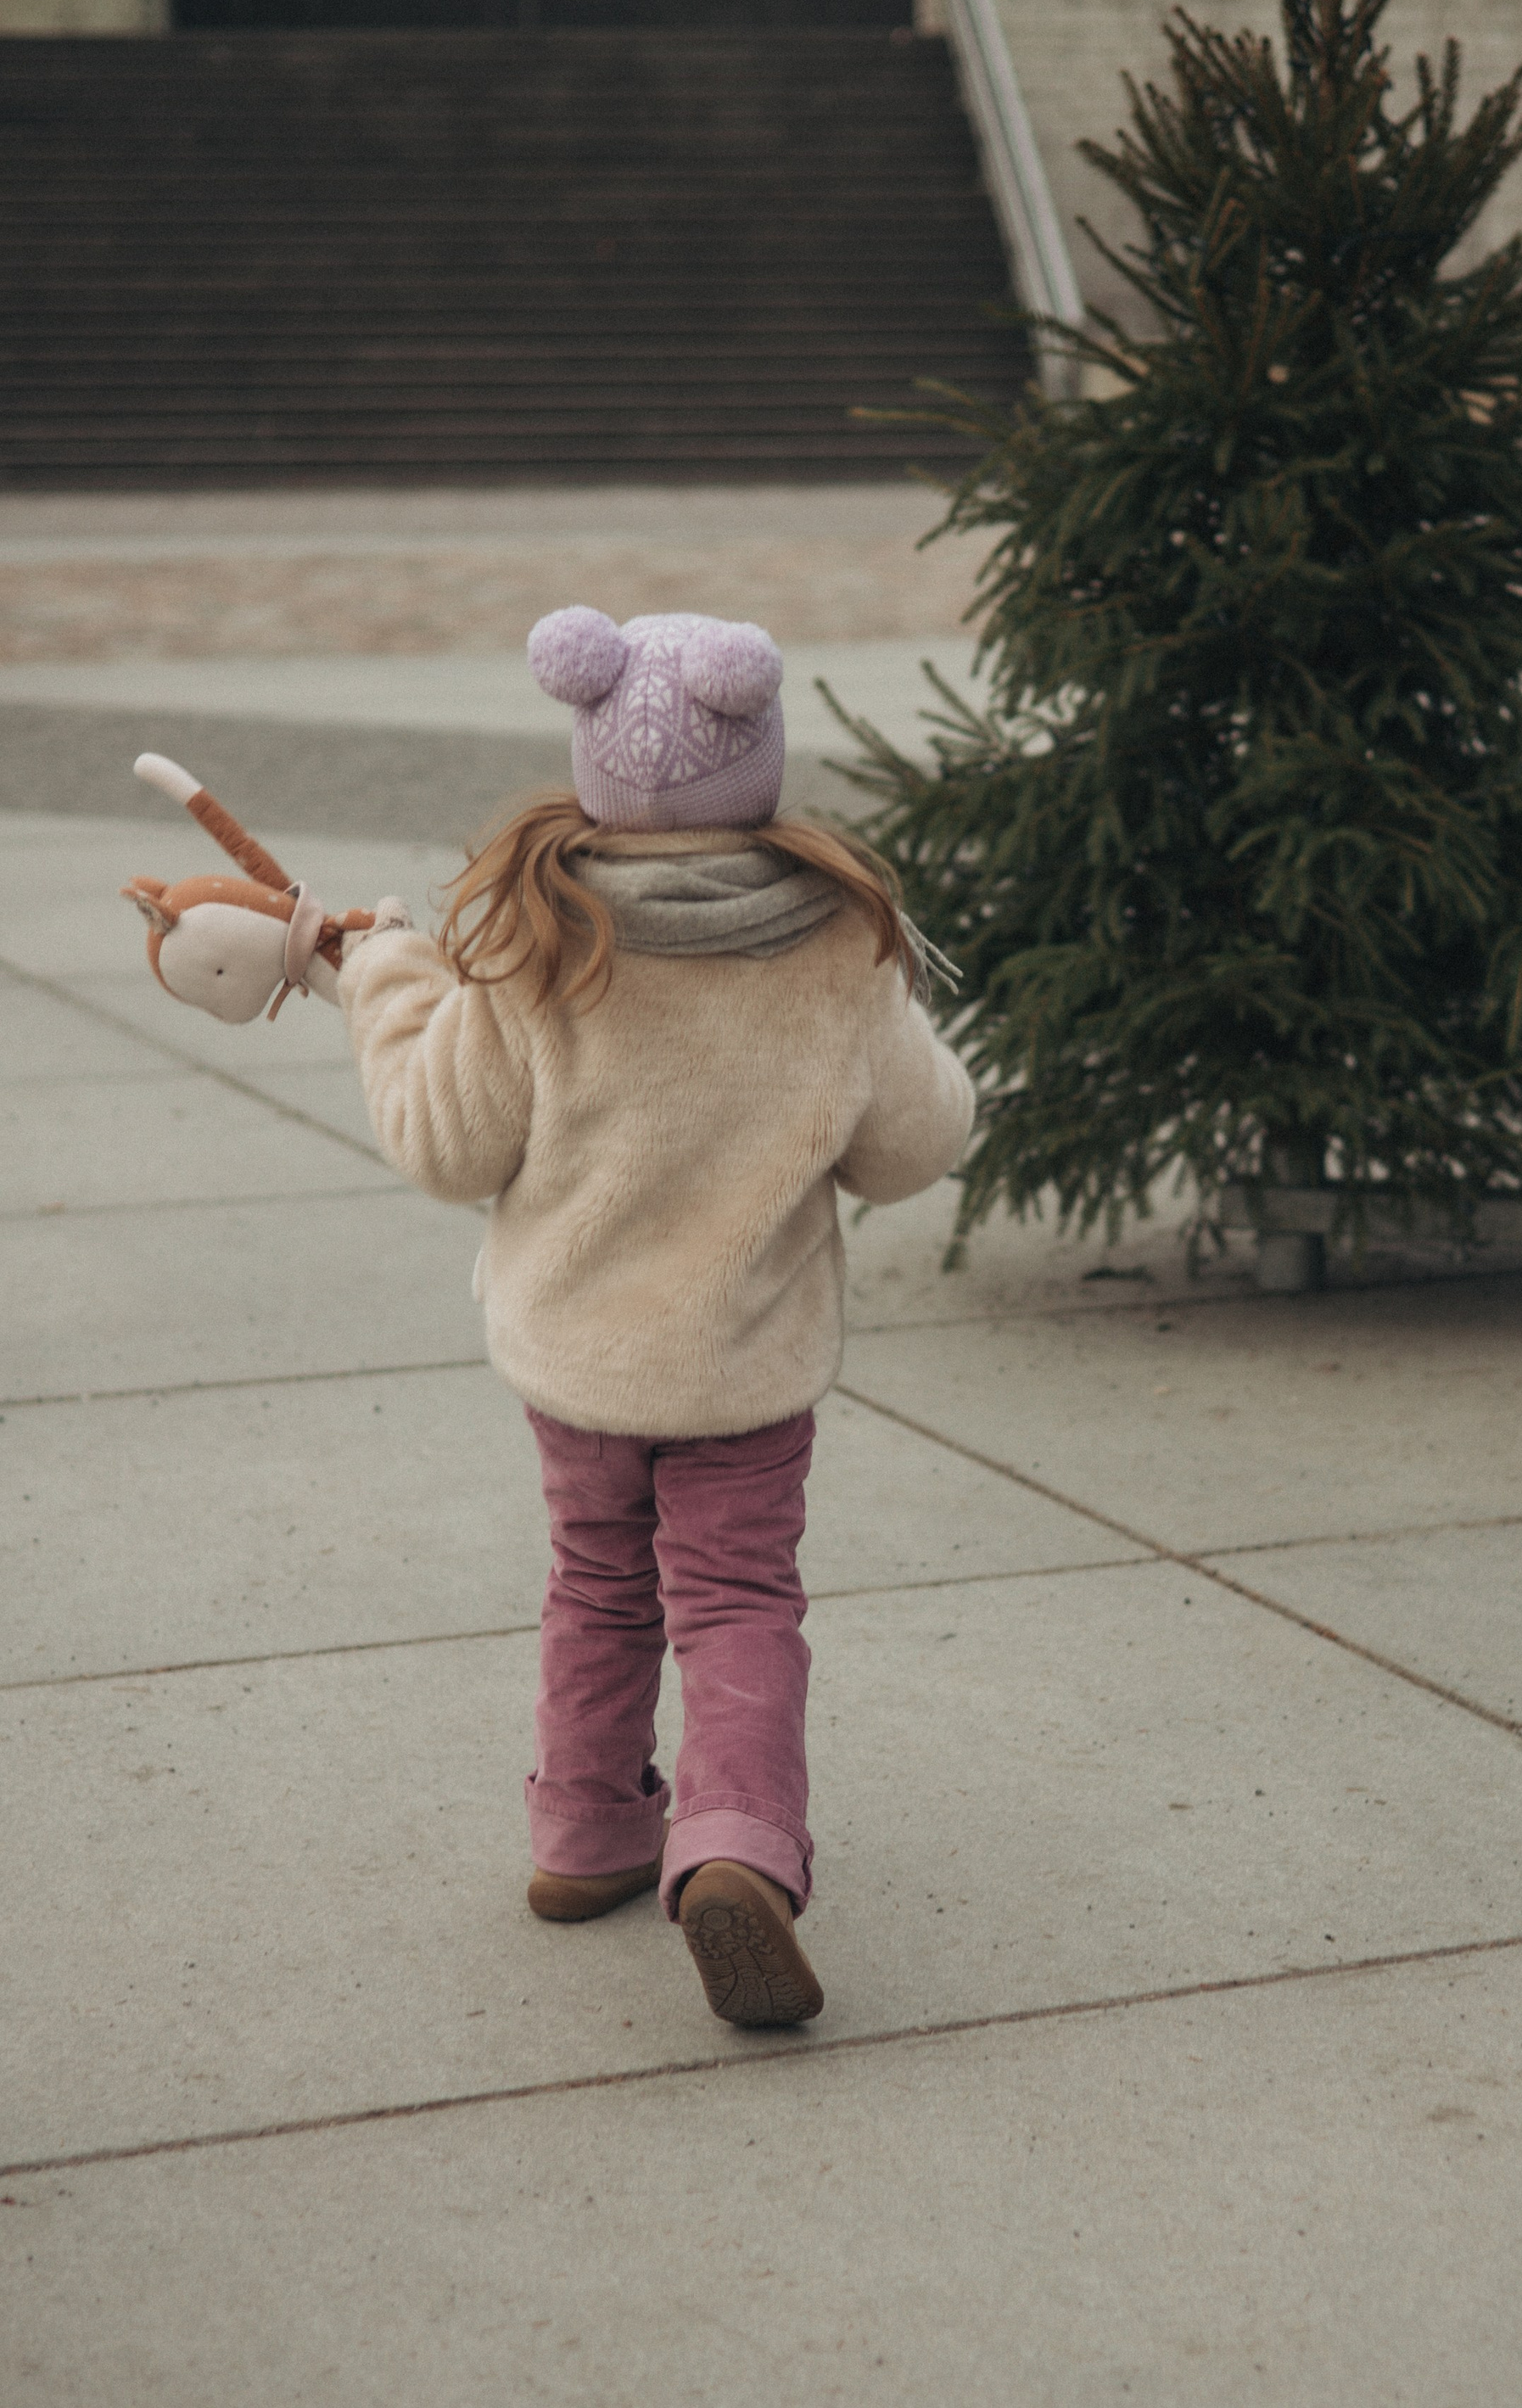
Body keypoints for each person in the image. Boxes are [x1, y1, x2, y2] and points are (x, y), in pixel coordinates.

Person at [339, 608, 974, 2027]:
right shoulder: (838, 941)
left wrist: (386, 977)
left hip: (577, 1363)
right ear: (759, 752)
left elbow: (446, 1144)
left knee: (598, 1581)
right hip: (744, 1370)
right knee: (738, 1599)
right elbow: (912, 1145)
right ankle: (738, 1842)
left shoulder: (534, 932)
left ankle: (584, 1831)